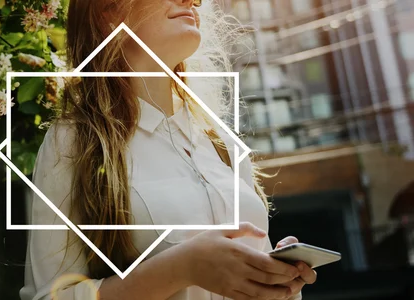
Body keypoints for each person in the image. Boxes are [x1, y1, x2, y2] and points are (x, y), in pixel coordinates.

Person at [20, 0, 317, 299]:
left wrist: (279, 281)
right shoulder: (72, 142)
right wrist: (181, 268)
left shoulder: (221, 143)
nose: (192, 1)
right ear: (108, 13)